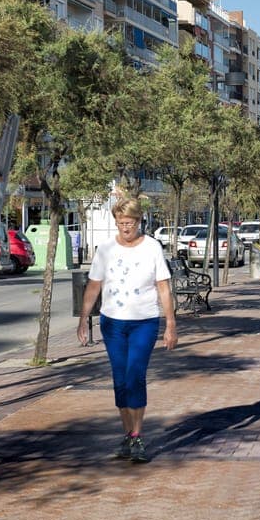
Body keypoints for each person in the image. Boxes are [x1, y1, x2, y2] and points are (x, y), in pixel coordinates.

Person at [77, 197, 177, 462]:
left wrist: (171, 324)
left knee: (135, 375)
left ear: (138, 221)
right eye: (121, 223)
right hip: (112, 323)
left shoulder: (152, 248)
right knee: (120, 378)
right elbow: (94, 286)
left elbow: (163, 287)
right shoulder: (106, 249)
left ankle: (138, 436)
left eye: (129, 222)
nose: (125, 227)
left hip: (144, 321)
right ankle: (128, 434)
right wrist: (83, 319)